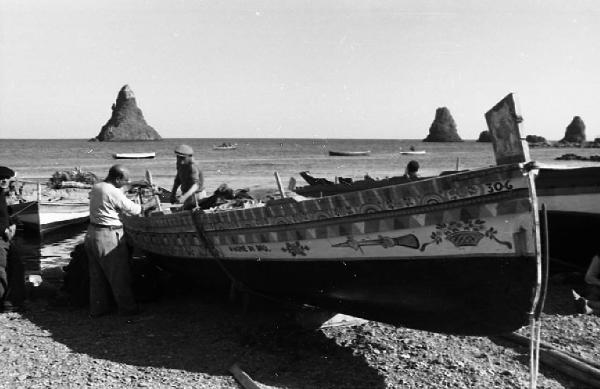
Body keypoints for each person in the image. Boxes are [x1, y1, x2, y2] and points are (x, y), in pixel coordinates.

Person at [85, 164, 155, 317]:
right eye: (125, 180)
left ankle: (98, 310)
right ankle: (128, 309)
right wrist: (151, 203)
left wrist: (134, 184)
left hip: (92, 234)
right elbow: (135, 210)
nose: (126, 182)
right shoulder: (112, 192)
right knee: (119, 275)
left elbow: (118, 190)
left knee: (97, 276)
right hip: (108, 236)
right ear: (117, 179)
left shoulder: (98, 187)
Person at [0, 166, 25, 313]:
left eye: (6, 179)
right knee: (1, 270)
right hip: (2, 237)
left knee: (17, 266)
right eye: (1, 178)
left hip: (6, 237)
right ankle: (4, 303)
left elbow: (3, 215)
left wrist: (11, 224)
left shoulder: (1, 194)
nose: (4, 181)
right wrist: (4, 229)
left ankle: (13, 301)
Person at [170, 144, 206, 210]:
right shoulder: (179, 163)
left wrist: (184, 197)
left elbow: (196, 185)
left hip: (197, 195)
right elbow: (178, 179)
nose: (181, 161)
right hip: (187, 195)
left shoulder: (192, 166)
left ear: (189, 157)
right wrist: (173, 193)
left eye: (183, 158)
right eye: (178, 157)